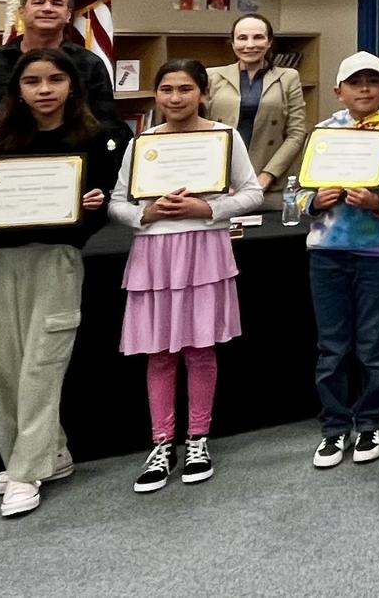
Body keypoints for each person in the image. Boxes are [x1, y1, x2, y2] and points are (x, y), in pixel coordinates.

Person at [0, 47, 124, 518]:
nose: (44, 90)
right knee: (3, 365)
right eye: (33, 82)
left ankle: (27, 469)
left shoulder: (99, 137)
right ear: (18, 89)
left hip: (57, 258)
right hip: (0, 261)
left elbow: (110, 201)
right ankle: (40, 455)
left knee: (42, 365)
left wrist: (95, 204)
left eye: (54, 80)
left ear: (72, 86)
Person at [108, 60, 264, 494]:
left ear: (203, 93)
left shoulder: (224, 137)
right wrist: (147, 213)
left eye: (185, 89)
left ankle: (197, 439)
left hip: (204, 249)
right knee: (158, 353)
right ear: (156, 95)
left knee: (199, 349)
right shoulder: (142, 142)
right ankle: (162, 444)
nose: (175, 98)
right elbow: (116, 202)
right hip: (154, 252)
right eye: (166, 90)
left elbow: (252, 192)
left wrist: (209, 209)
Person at [299, 52, 379, 470]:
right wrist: (313, 201)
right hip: (327, 252)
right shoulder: (322, 133)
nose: (365, 90)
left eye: (373, 82)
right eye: (355, 83)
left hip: (377, 253)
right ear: (339, 92)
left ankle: (370, 423)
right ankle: (334, 429)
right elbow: (294, 195)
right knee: (332, 348)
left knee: (372, 346)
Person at [0, 0, 118, 196]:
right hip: (4, 181)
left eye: (57, 4)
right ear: (21, 12)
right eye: (38, 2)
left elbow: (105, 127)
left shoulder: (90, 64)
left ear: (68, 15)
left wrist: (98, 188)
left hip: (71, 182)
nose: (47, 8)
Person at [204, 14, 307, 207]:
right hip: (223, 184)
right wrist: (220, 180)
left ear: (269, 42)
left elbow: (296, 134)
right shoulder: (212, 77)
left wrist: (266, 177)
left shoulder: (288, 77)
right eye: (242, 38)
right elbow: (204, 133)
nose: (250, 45)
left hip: (271, 184)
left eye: (258, 37)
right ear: (233, 43)